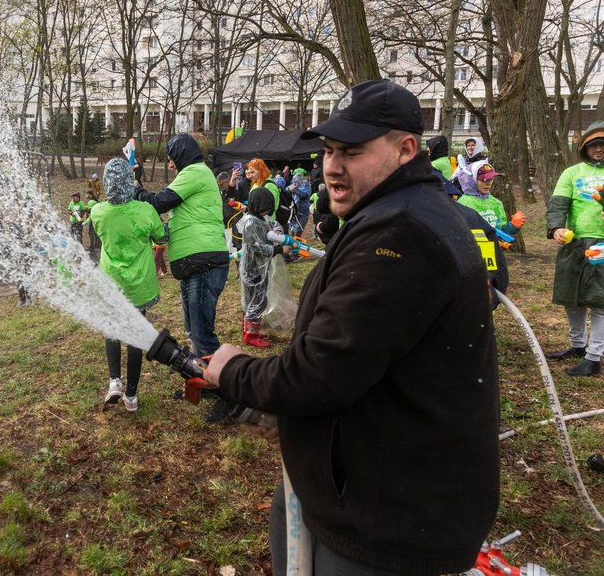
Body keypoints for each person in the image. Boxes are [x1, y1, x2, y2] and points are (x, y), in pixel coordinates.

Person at [203, 80, 499, 575]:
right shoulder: (400, 213)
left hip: (385, 519)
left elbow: (320, 373)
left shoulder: (399, 233)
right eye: (330, 150)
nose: (332, 167)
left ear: (406, 149)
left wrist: (232, 373)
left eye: (353, 152)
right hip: (366, 489)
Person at [134, 133, 229, 359]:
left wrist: (136, 189)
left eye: (171, 157)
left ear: (181, 154)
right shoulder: (194, 174)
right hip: (194, 262)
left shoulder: (195, 172)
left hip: (203, 260)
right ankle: (201, 381)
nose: (169, 163)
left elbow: (159, 202)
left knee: (202, 334)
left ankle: (220, 386)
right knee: (193, 331)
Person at [91, 158, 165, 412]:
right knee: (135, 335)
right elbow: (161, 235)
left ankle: (114, 382)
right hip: (139, 284)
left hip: (111, 282)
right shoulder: (145, 210)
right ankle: (131, 396)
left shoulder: (97, 212)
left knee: (112, 329)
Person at [545, 120, 604, 376]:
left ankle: (594, 357)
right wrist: (556, 227)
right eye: (594, 145)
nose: (599, 149)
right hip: (573, 243)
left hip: (602, 244)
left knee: (600, 300)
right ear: (585, 147)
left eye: (603, 145)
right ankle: (578, 346)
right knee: (573, 296)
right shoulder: (572, 173)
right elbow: (558, 204)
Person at [237, 188, 284, 348]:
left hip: (260, 267)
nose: (268, 211)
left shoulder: (262, 217)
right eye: (265, 208)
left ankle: (251, 330)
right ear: (256, 205)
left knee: (259, 299)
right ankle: (251, 335)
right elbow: (258, 248)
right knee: (255, 300)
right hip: (252, 269)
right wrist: (278, 249)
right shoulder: (250, 222)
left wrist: (277, 231)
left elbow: (274, 223)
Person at [456, 161, 525, 236]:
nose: (488, 183)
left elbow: (501, 232)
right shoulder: (462, 204)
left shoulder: (496, 203)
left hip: (494, 247)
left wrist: (513, 226)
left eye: (491, 179)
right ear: (472, 180)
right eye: (484, 179)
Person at [286, 168, 312, 236]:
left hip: (303, 212)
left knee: (298, 231)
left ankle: (296, 244)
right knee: (292, 229)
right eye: (294, 181)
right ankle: (292, 244)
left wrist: (294, 189)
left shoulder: (306, 185)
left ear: (300, 180)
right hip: (295, 211)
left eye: (296, 181)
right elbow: (286, 191)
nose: (294, 183)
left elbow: (303, 195)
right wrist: (289, 189)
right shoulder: (295, 185)